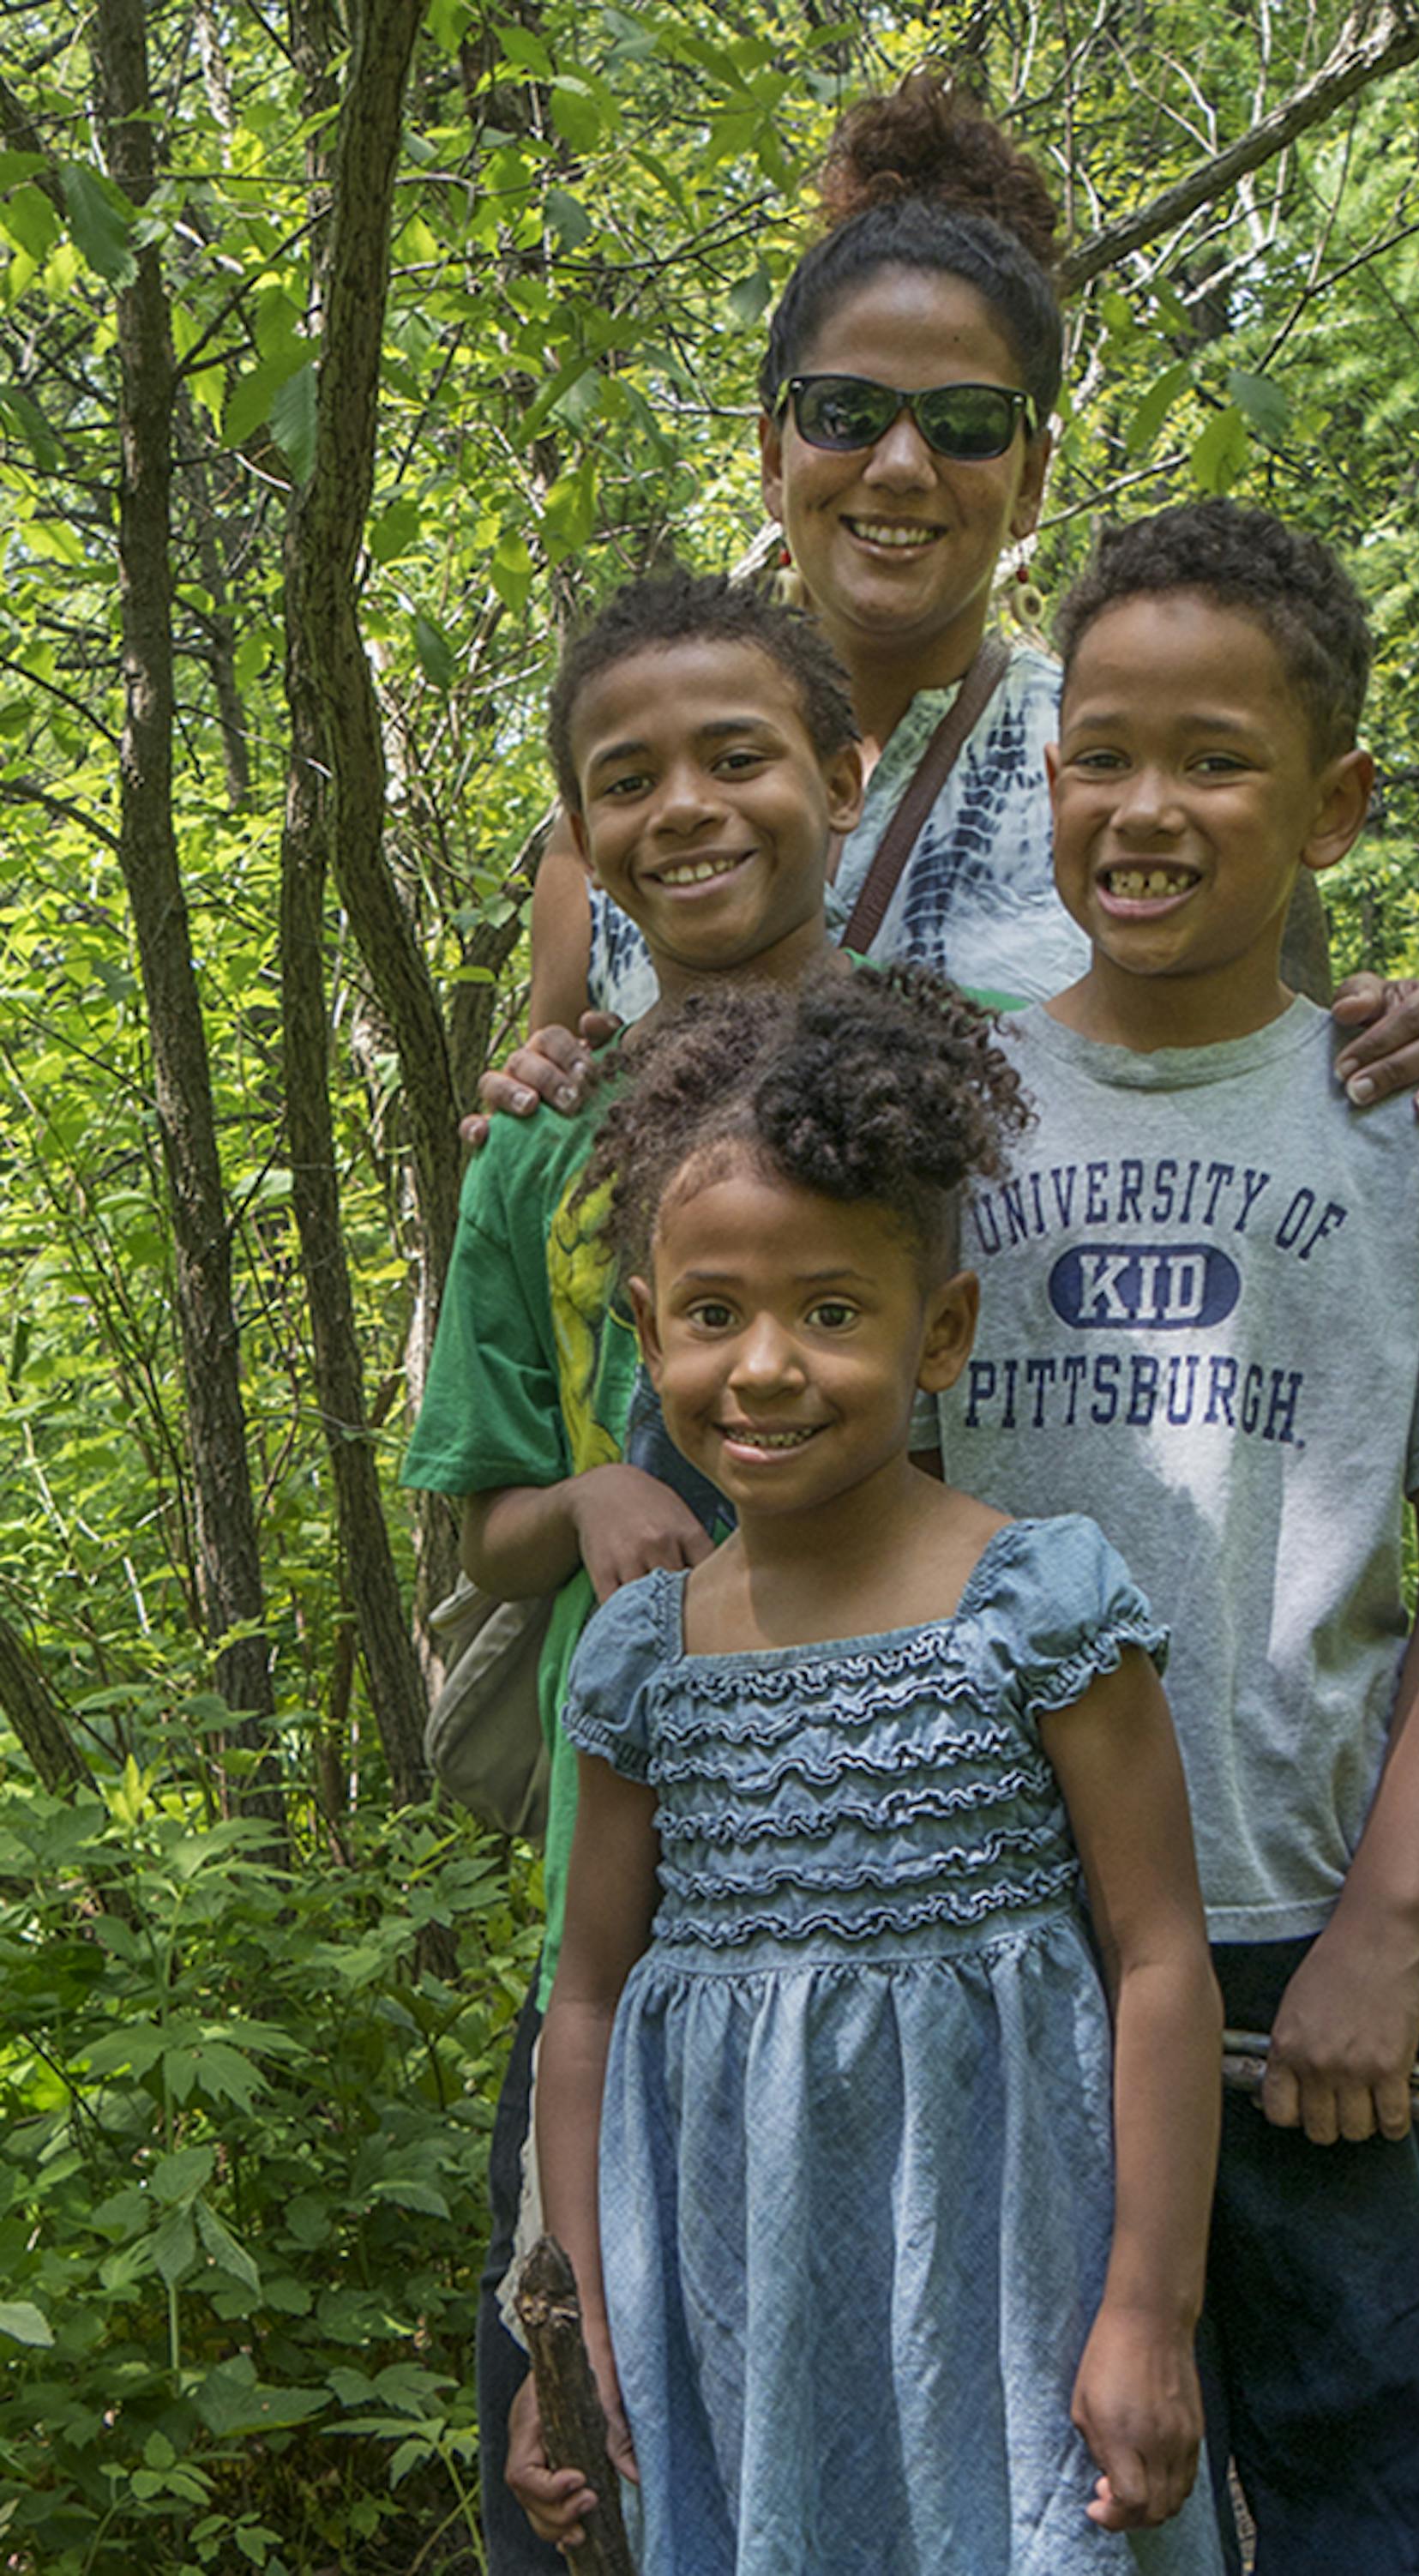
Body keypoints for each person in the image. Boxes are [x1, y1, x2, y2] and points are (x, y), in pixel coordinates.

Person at [921, 500, 1419, 2573]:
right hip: (1011, 1921)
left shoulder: (1404, 1122)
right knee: (1052, 2482)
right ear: (1050, 779)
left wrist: (1389, 1924)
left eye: (1215, 760)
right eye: (1105, 754)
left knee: (1358, 2469)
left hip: (1311, 1916)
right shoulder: (942, 1119)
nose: (1148, 807)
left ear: (1333, 807)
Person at [523, 966, 1226, 2573]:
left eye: (832, 1311)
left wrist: (1148, 2308)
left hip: (1014, 2297)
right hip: (733, 2310)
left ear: (942, 1332)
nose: (765, 1365)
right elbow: (587, 1998)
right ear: (648, 1329)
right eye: (713, 1313)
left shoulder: (1039, 1604)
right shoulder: (641, 1659)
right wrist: (575, 2329)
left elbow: (1159, 1957)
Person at [477, 75, 1419, 1147]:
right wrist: (534, 1088)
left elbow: (1282, 1105)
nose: (899, 466)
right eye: (846, 410)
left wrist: (1415, 1052)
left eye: (968, 422)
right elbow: (557, 1153)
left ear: (1031, 477)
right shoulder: (616, 821)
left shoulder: (1145, 772)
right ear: (773, 451)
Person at [403, 569, 878, 2573]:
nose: (684, 806)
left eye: (734, 755)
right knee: (575, 2454)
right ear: (582, 842)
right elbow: (483, 1520)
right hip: (620, 1918)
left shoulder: (948, 1086)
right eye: (627, 779)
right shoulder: (536, 1145)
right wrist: (588, 1494)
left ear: (842, 773)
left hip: (905, 1890)